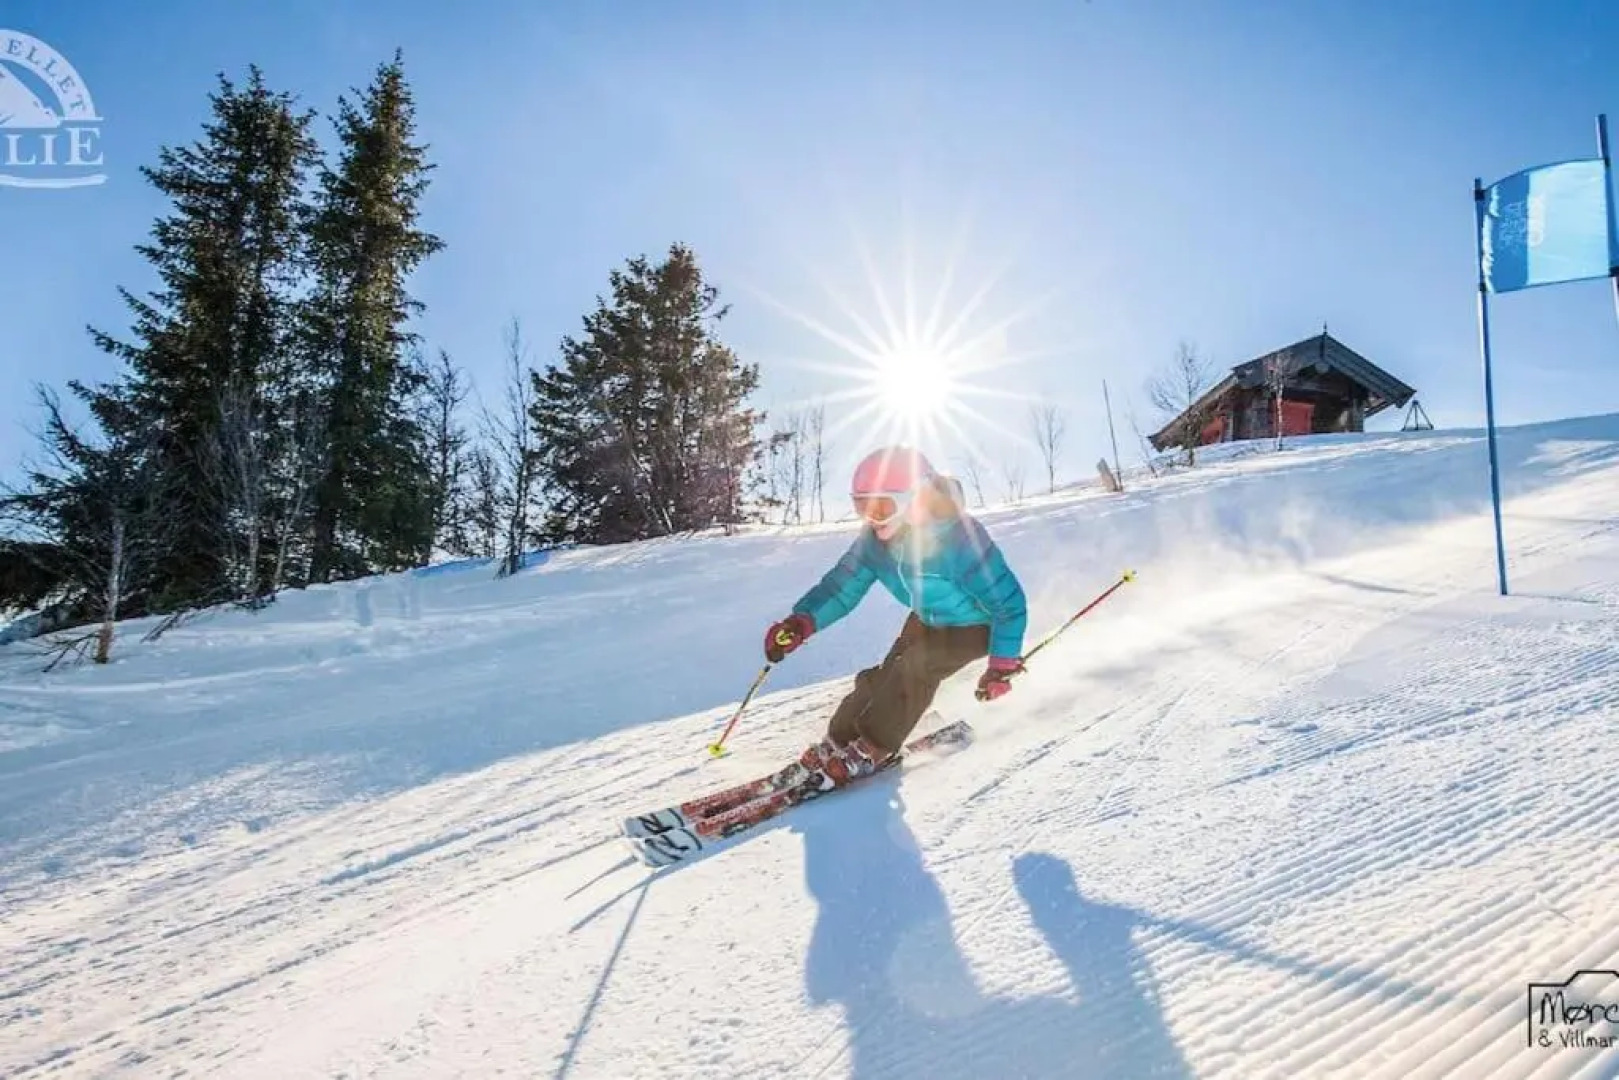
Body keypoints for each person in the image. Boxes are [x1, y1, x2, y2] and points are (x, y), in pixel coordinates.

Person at [763, 445, 1029, 792]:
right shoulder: (875, 542)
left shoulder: (960, 538)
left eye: (881, 507)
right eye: (862, 508)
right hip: (927, 619)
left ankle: (875, 746)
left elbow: (1009, 603)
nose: (872, 519)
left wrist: (1002, 664)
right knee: (883, 676)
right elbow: (842, 586)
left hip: (979, 625)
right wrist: (802, 622)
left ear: (913, 499)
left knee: (916, 668)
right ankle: (840, 739)